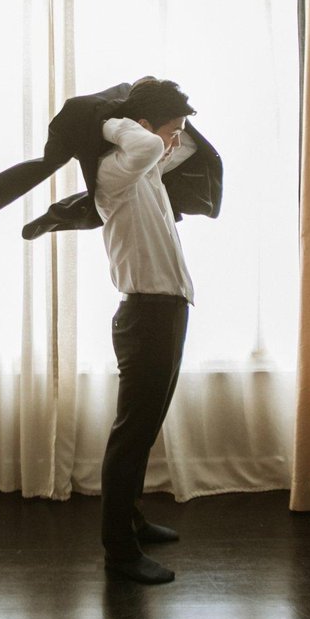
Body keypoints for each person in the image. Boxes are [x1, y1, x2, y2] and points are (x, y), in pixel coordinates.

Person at [94, 77, 198, 585]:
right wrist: (114, 121)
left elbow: (180, 146)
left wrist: (168, 120)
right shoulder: (117, 171)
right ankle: (120, 552)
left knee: (145, 430)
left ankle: (133, 520)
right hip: (145, 318)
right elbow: (150, 142)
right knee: (130, 438)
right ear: (140, 130)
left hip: (167, 315)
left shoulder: (148, 172)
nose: (172, 142)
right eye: (169, 131)